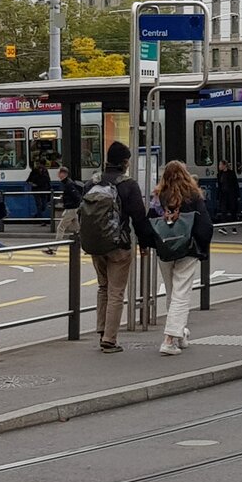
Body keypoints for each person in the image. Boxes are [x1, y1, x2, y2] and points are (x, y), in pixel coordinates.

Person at [91, 141, 156, 354]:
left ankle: (102, 330)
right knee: (117, 291)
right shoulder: (128, 185)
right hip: (119, 245)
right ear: (125, 162)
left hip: (97, 244)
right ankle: (109, 339)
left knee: (103, 287)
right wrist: (145, 244)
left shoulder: (92, 182)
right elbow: (139, 218)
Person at [151, 160, 213, 357]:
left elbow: (150, 220)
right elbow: (205, 225)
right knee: (181, 294)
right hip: (187, 249)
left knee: (172, 293)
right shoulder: (193, 196)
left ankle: (180, 335)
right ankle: (169, 339)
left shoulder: (158, 196)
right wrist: (201, 248)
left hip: (165, 249)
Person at [48, 166, 84, 256]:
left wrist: (70, 204)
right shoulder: (68, 183)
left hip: (71, 209)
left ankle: (54, 248)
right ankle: (87, 248)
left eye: (59, 173)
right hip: (73, 209)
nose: (58, 174)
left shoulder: (68, 184)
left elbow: (76, 196)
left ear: (63, 174)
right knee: (78, 229)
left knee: (60, 228)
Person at [215, 159, 240, 226]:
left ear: (224, 165)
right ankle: (224, 226)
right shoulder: (219, 174)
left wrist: (238, 195)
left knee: (233, 210)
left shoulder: (231, 173)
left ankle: (234, 226)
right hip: (223, 195)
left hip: (231, 195)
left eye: (220, 165)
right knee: (223, 211)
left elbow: (235, 184)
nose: (219, 166)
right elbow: (219, 186)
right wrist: (218, 196)